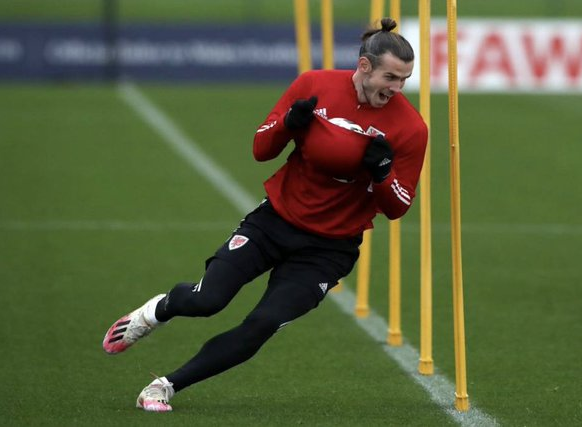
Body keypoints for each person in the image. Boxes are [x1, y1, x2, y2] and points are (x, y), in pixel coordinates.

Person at [102, 17, 428, 412]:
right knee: (208, 300)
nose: (397, 89)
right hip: (273, 223)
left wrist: (382, 173)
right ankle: (155, 312)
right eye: (390, 78)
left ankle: (165, 386)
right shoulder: (314, 85)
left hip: (328, 250)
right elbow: (261, 149)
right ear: (364, 66)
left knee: (261, 325)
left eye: (404, 80)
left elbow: (398, 206)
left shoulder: (411, 128)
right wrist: (288, 125)